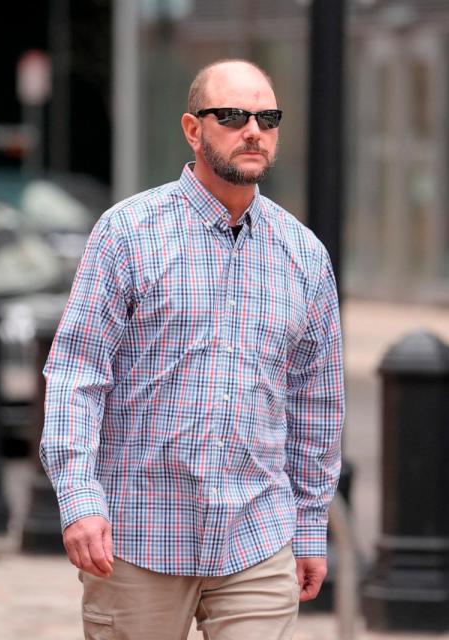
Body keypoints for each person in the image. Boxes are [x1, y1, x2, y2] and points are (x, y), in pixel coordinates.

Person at [41, 58, 345, 639]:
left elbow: (317, 406)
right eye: (232, 116)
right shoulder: (127, 233)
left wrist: (309, 528)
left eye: (267, 117)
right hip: (138, 537)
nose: (253, 130)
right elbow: (77, 375)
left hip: (257, 539)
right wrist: (79, 497)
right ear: (192, 128)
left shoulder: (305, 256)